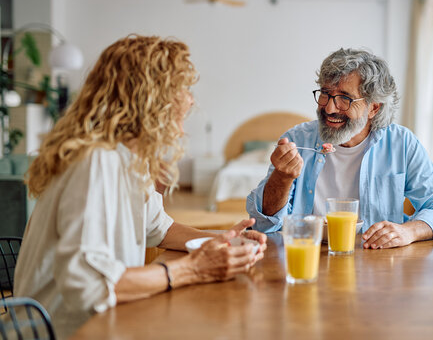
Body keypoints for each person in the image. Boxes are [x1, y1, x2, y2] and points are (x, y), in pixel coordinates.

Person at [14, 35, 267, 339]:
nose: (190, 99)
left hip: (105, 323)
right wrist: (194, 270)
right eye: (182, 87)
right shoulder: (96, 160)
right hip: (59, 331)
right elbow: (89, 288)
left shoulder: (129, 157)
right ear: (150, 97)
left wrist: (222, 241)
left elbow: (158, 227)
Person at [246, 48, 433, 248]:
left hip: (377, 263)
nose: (330, 108)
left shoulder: (401, 144)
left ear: (373, 108)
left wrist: (409, 231)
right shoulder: (297, 140)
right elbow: (263, 224)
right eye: (325, 93)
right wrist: (281, 178)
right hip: (308, 256)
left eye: (344, 99)